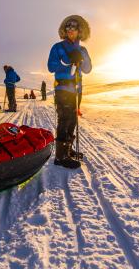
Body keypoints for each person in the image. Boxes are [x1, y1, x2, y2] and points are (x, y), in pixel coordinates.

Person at [47, 15, 92, 169]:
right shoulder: (57, 47)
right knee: (64, 118)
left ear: (80, 31)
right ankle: (60, 157)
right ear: (64, 31)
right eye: (68, 27)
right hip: (62, 88)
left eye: (74, 27)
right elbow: (51, 66)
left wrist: (82, 58)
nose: (70, 29)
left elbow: (88, 69)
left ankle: (67, 150)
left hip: (77, 90)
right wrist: (67, 60)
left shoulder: (83, 49)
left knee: (73, 119)